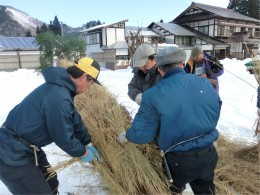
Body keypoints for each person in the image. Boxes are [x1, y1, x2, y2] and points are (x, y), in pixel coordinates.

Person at [117, 47, 221, 194]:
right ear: (181, 63)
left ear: (159, 68)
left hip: (179, 159)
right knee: (206, 189)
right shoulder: (204, 83)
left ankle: (178, 188)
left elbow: (143, 133)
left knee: (174, 186)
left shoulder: (153, 95)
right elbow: (216, 107)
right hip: (209, 153)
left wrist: (128, 136)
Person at [0, 57, 102, 194]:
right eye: (91, 84)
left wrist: (87, 142)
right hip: (12, 154)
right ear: (84, 77)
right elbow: (63, 137)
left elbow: (74, 118)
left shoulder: (61, 89)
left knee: (51, 180)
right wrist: (83, 152)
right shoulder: (59, 97)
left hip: (25, 148)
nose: (88, 89)